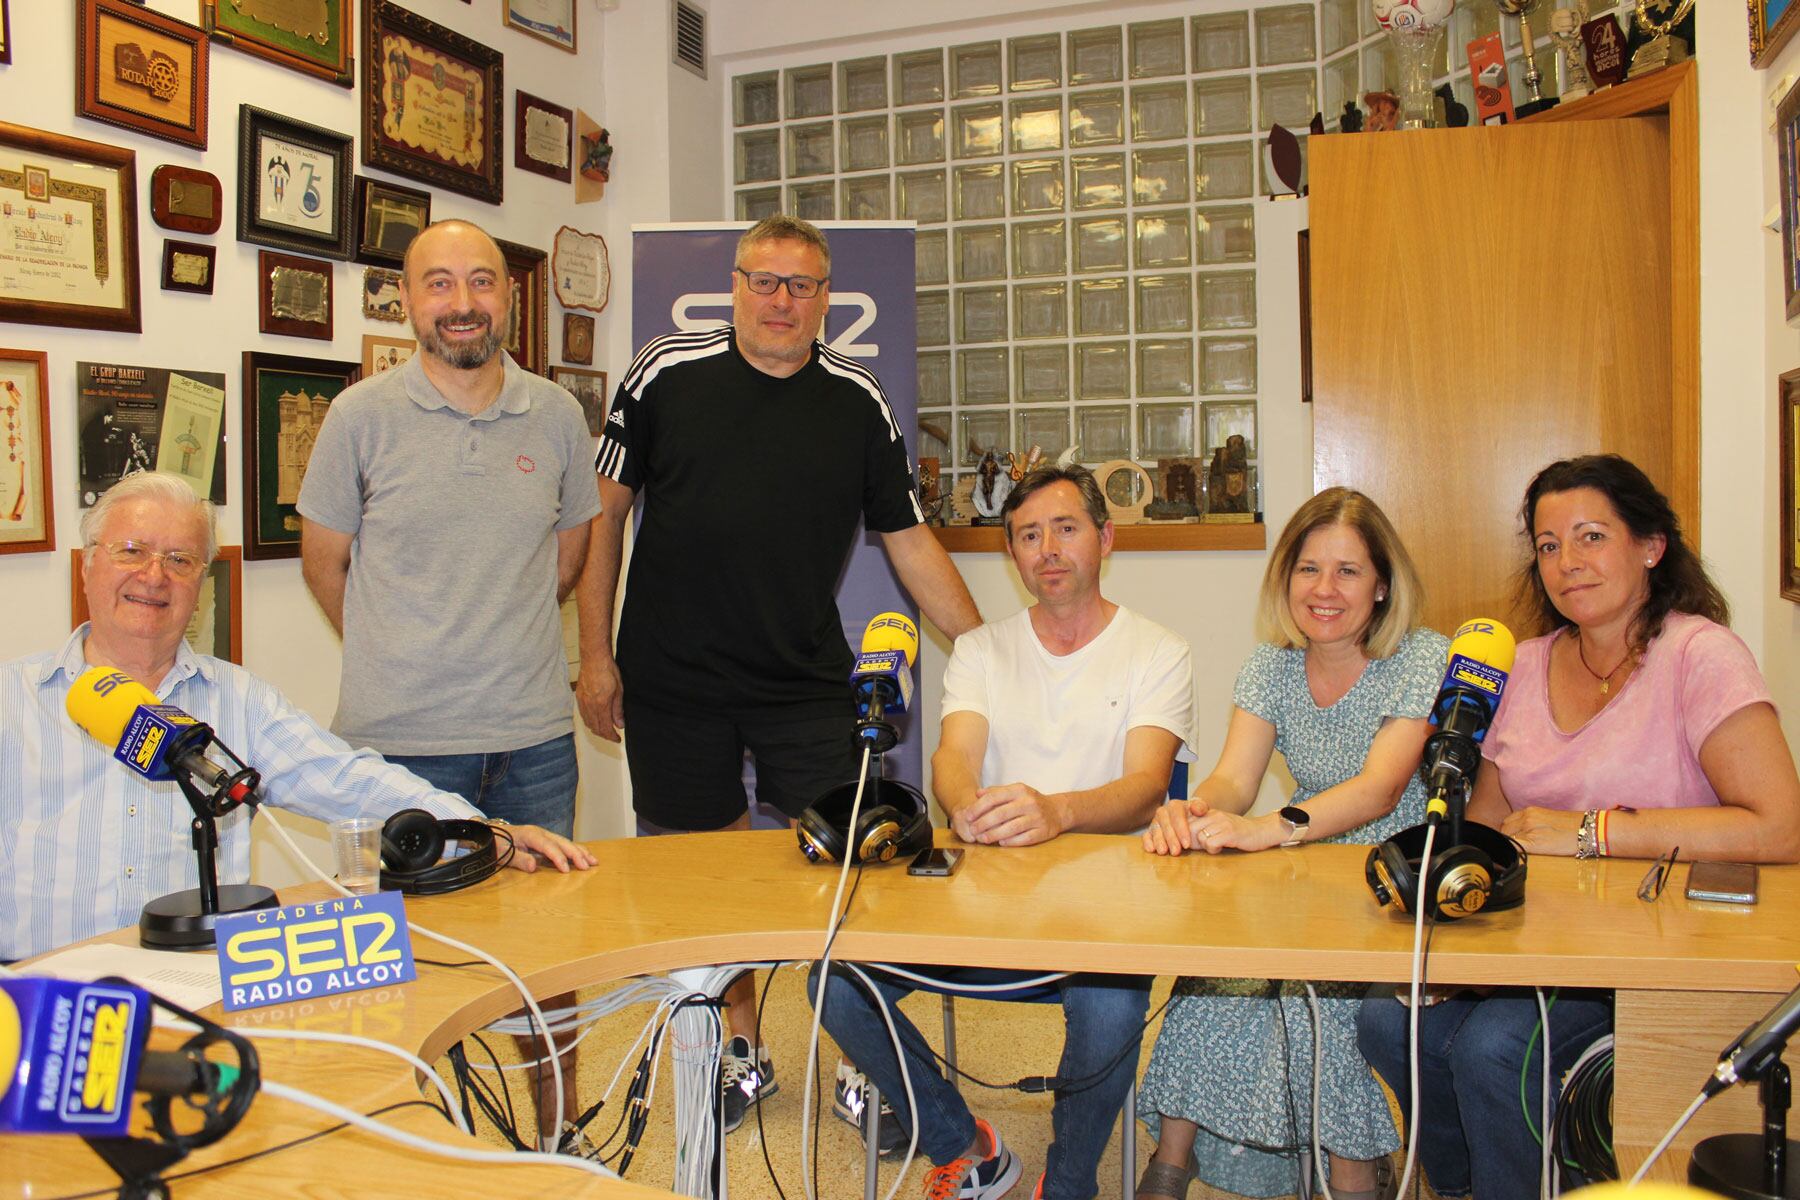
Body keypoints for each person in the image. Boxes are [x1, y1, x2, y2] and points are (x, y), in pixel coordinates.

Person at [575, 212, 982, 1130]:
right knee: (708, 888)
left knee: (846, 878)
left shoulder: (858, 400)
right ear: (735, 285)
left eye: (801, 286)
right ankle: (740, 1053)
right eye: (764, 280)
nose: (781, 301)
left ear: (826, 299)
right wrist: (593, 655)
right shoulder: (662, 375)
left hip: (805, 685)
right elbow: (604, 519)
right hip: (674, 683)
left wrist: (994, 652)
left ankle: (862, 1065)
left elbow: (911, 543)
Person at [1356, 454, 1800, 1200]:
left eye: (1592, 537)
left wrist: (1592, 832)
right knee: (1386, 1020)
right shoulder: (1523, 665)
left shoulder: (1701, 656)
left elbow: (1781, 826)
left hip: (1654, 950)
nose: (1568, 563)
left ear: (1651, 546)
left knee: (1492, 1052)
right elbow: (1494, 822)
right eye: (1549, 545)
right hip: (1533, 938)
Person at [1, 472, 592, 963]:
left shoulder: (236, 700)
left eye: (180, 560)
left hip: (198, 984)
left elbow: (348, 779)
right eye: (131, 551)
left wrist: (481, 832)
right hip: (41, 989)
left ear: (201, 584)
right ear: (86, 565)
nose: (154, 576)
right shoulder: (13, 697)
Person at [298, 218, 602, 1146]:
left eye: (480, 282)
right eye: (439, 284)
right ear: (408, 298)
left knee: (546, 962)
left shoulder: (555, 415)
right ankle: (411, 1146)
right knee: (404, 971)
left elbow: (569, 553)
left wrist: (490, 637)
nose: (461, 303)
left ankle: (559, 1140)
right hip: (397, 749)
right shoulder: (359, 416)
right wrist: (405, 654)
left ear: (507, 297)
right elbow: (324, 565)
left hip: (534, 740)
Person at [812, 465, 1195, 1200]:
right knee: (833, 980)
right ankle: (966, 1144)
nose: (1047, 548)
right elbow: (952, 758)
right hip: (984, 909)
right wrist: (961, 806)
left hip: (1104, 915)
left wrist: (1059, 812)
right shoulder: (983, 651)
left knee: (1112, 1004)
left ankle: (1073, 1177)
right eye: (1028, 535)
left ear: (1105, 538)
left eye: (1066, 529)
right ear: (1012, 556)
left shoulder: (1158, 650)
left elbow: (1147, 787)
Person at [1137, 487, 1446, 1200]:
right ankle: (1170, 1164)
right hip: (1308, 871)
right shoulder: (1272, 665)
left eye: (1347, 571)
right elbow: (1235, 780)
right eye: (1309, 569)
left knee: (1322, 1013)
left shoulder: (1424, 657)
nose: (1325, 589)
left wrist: (1270, 830)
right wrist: (1193, 810)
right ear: (1285, 579)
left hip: (1393, 882)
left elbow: (1377, 790)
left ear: (1382, 585)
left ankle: (1351, 1177)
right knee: (1210, 984)